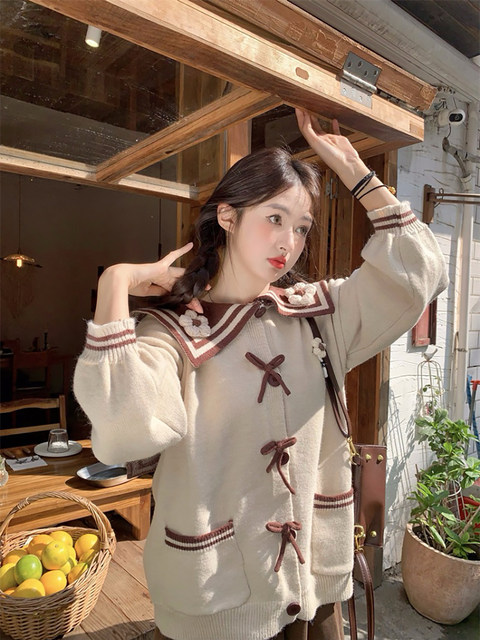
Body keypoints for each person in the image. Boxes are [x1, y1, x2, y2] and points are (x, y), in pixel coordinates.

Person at [73, 110, 447, 640]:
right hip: (221, 603)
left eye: (301, 227)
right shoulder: (173, 334)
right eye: (274, 218)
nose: (288, 241)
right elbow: (124, 433)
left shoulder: (319, 315)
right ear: (227, 216)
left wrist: (354, 170)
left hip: (314, 589)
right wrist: (115, 282)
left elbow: (418, 275)